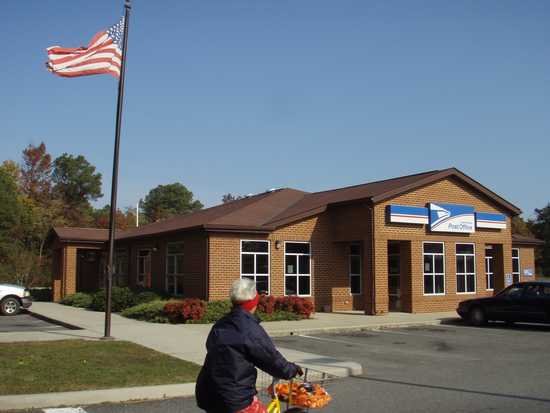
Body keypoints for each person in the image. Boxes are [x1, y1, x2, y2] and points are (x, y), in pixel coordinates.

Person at [196, 278, 303, 413]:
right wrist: (291, 370)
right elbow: (271, 359)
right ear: (254, 301)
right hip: (235, 399)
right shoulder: (250, 330)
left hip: (208, 393)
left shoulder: (221, 324)